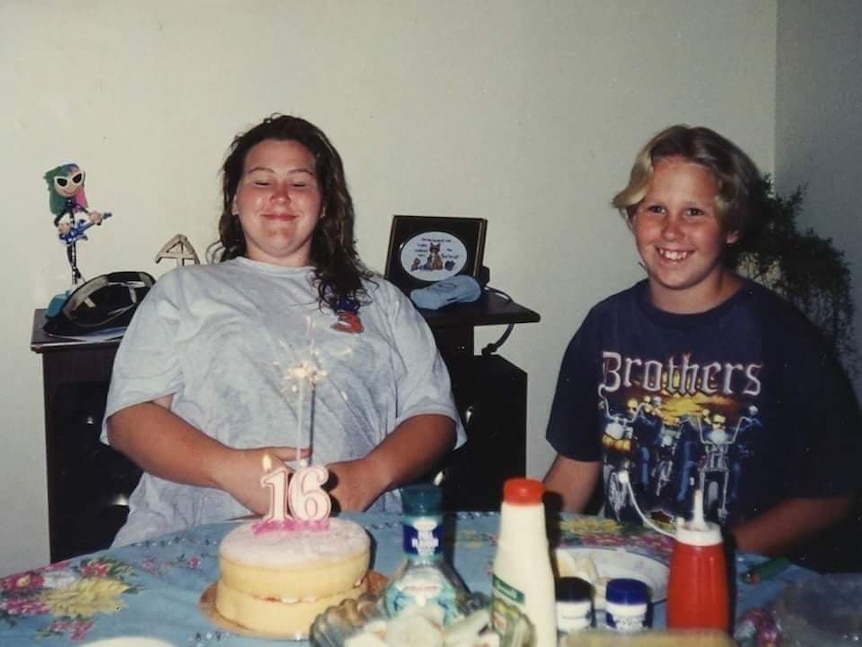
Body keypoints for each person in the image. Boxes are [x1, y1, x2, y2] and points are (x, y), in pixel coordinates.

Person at [102, 114, 464, 546]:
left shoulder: (381, 299)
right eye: (260, 181)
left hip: (354, 536)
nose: (279, 196)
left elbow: (434, 414)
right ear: (234, 200)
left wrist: (367, 477)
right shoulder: (183, 291)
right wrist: (232, 470)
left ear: (324, 202)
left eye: (298, 182)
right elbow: (130, 418)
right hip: (200, 537)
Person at [543, 124, 862, 564]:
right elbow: (577, 464)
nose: (671, 231)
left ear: (730, 229)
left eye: (694, 212)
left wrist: (715, 555)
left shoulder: (779, 333)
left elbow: (836, 492)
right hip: (635, 571)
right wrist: (526, 540)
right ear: (632, 218)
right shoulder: (605, 326)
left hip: (745, 576)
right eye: (655, 208)